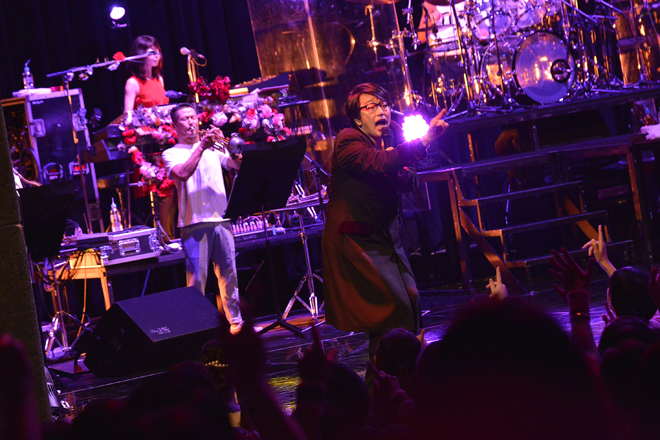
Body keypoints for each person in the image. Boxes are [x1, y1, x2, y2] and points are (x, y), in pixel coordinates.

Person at [321, 83, 448, 360]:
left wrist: (399, 168)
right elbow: (378, 162)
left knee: (411, 299)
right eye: (371, 106)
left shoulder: (388, 140)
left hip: (386, 241)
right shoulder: (348, 140)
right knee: (393, 310)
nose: (381, 111)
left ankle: (400, 372)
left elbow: (409, 180)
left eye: (384, 105)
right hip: (358, 243)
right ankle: (385, 377)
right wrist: (424, 140)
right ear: (357, 119)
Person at [162, 103, 243, 330]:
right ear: (175, 125)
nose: (191, 122)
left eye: (193, 117)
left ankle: (236, 322)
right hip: (194, 223)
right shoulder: (171, 153)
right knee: (197, 281)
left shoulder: (215, 148)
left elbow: (236, 165)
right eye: (185, 119)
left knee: (229, 276)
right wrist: (201, 147)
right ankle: (198, 328)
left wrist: (231, 147)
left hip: (221, 219)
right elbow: (182, 173)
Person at [124, 35, 169, 113]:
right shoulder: (133, 82)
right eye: (152, 52)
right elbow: (127, 114)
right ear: (140, 54)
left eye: (157, 51)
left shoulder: (159, 79)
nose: (156, 56)